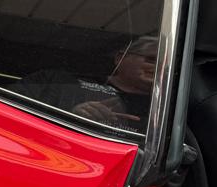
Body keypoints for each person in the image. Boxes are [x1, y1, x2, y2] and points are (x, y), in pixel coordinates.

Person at [15, 35, 157, 132]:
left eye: (169, 64)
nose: (161, 66)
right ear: (121, 58)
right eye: (152, 59)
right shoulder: (55, 82)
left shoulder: (171, 113)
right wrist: (71, 119)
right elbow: (8, 121)